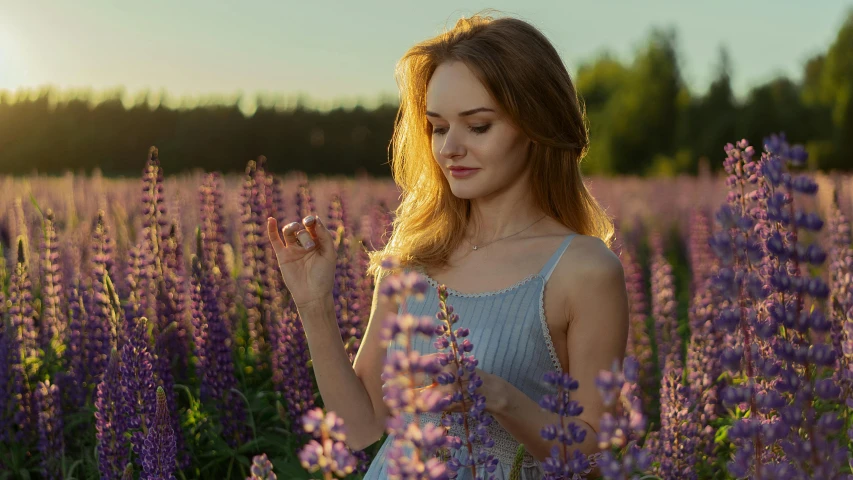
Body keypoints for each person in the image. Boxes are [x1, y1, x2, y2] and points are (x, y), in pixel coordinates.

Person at [267, 10, 629, 479]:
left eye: (478, 126)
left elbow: (594, 459)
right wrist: (313, 304)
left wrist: (498, 397)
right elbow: (360, 428)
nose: (450, 149)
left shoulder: (583, 270)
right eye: (438, 127)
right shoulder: (413, 259)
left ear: (537, 127)